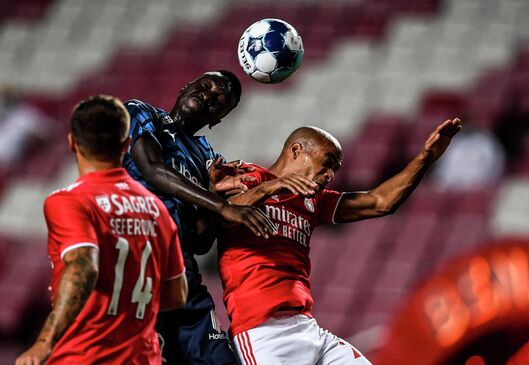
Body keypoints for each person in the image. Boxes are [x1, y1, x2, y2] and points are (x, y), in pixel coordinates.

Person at [220, 118, 462, 364]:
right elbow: (221, 214)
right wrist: (272, 187)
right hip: (262, 331)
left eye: (335, 169)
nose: (330, 176)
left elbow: (381, 202)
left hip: (307, 326)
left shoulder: (313, 201)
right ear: (295, 151)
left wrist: (425, 158)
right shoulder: (248, 177)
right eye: (326, 164)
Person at [16, 95, 188, 365]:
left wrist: (43, 343)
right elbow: (176, 295)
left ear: (72, 142)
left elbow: (83, 266)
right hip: (143, 357)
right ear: (126, 144)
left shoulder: (71, 200)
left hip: (84, 355)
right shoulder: (157, 209)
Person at [122, 70, 272, 364]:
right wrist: (221, 205)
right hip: (139, 262)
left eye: (218, 101)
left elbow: (200, 242)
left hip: (184, 273)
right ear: (185, 86)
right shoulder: (140, 112)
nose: (208, 96)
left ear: (217, 119)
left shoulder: (207, 156)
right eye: (204, 87)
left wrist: (214, 193)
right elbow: (152, 168)